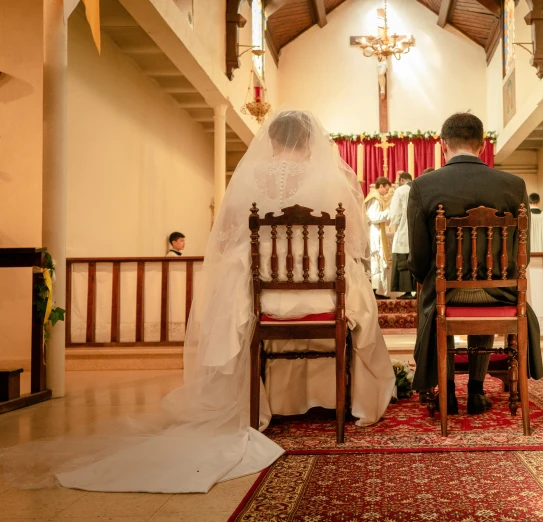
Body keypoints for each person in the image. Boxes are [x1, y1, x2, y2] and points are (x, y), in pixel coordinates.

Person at [48, 111, 395, 493]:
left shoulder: (252, 176)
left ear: (272, 140)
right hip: (325, 294)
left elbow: (228, 234)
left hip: (263, 298)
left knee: (236, 286)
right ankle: (352, 400)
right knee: (359, 301)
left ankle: (261, 405)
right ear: (310, 141)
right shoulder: (330, 178)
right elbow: (357, 239)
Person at [407, 112, 543, 415]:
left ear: (443, 145)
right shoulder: (513, 185)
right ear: (482, 146)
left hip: (447, 294)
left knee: (429, 293)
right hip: (502, 293)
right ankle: (476, 390)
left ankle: (444, 393)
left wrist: (428, 278)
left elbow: (417, 257)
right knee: (486, 283)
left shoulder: (422, 186)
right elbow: (526, 252)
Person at [365, 177, 393, 298]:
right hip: (373, 232)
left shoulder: (376, 197)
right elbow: (374, 216)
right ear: (381, 186)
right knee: (376, 260)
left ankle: (377, 291)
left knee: (378, 261)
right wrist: (389, 211)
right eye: (386, 189)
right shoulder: (374, 198)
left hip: (375, 231)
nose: (387, 192)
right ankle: (374, 291)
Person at [388, 172, 415, 298]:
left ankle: (407, 291)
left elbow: (394, 214)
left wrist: (393, 221)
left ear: (402, 180)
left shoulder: (400, 191)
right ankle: (417, 290)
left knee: (403, 261)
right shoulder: (418, 187)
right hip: (417, 232)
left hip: (404, 231)